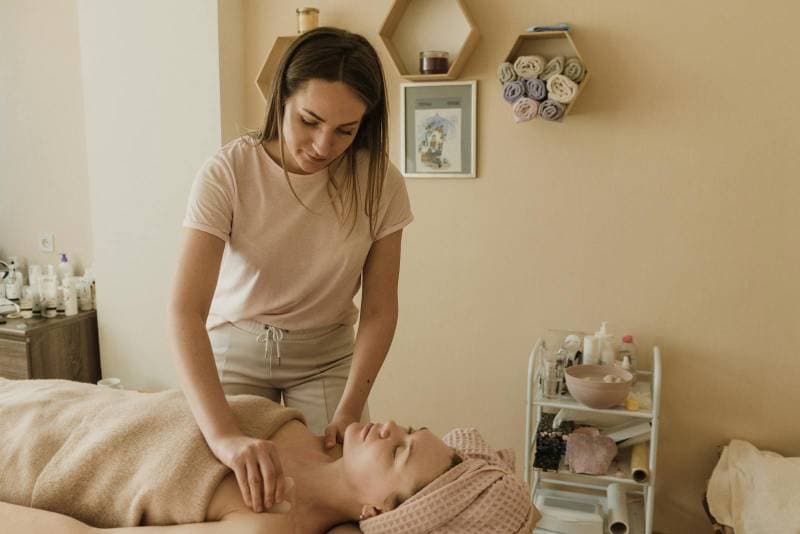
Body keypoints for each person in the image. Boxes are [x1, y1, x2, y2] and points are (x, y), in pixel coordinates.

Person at [168, 27, 413, 513]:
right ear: (281, 98)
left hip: (327, 356)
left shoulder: (378, 181)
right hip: (236, 346)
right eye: (309, 120)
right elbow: (184, 310)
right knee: (236, 496)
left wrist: (348, 409)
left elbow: (381, 311)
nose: (324, 145)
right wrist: (222, 438)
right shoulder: (229, 172)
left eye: (346, 130)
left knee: (344, 497)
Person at [0, 378, 540, 534]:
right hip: (62, 400)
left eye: (398, 451)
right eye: (412, 430)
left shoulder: (269, 524)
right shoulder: (310, 434)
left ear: (380, 512)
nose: (391, 425)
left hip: (29, 454)